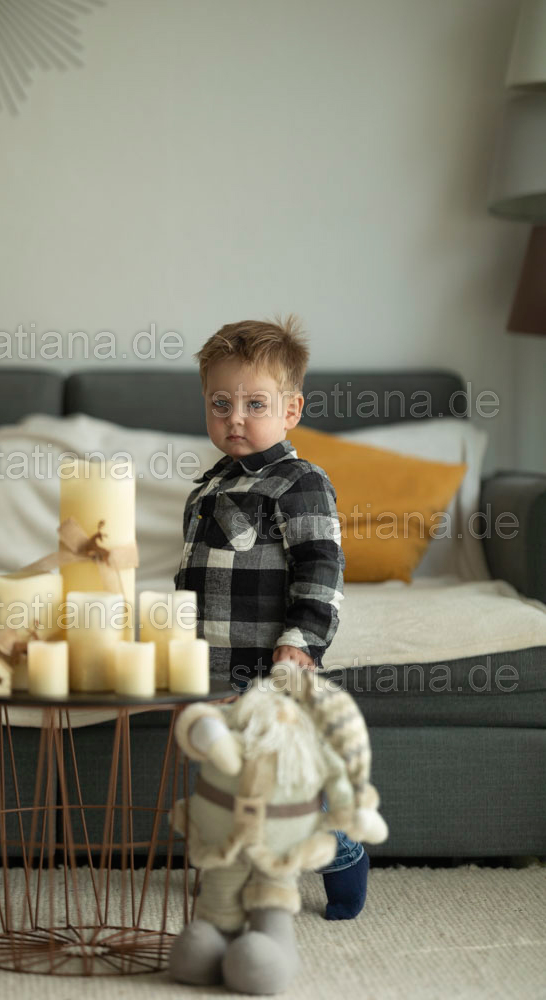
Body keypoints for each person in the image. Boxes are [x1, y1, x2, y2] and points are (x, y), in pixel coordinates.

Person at [173, 314, 369, 921]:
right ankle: (233, 872)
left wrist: (301, 641)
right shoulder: (205, 489)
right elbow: (192, 583)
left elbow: (321, 567)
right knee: (227, 779)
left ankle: (343, 857)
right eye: (220, 404)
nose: (235, 417)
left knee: (284, 784)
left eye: (254, 404)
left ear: (290, 410)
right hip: (214, 668)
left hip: (272, 670)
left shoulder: (300, 483)